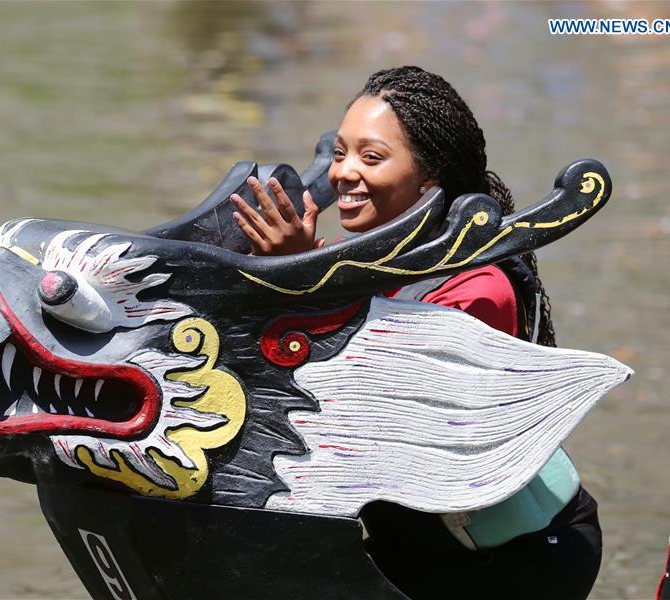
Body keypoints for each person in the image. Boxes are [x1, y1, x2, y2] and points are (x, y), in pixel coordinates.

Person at [229, 66, 602, 599]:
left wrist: (301, 283)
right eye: (339, 153)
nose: (343, 174)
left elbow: (387, 411)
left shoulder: (478, 289)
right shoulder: (365, 262)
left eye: (371, 157)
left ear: (430, 178)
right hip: (414, 542)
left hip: (518, 556)